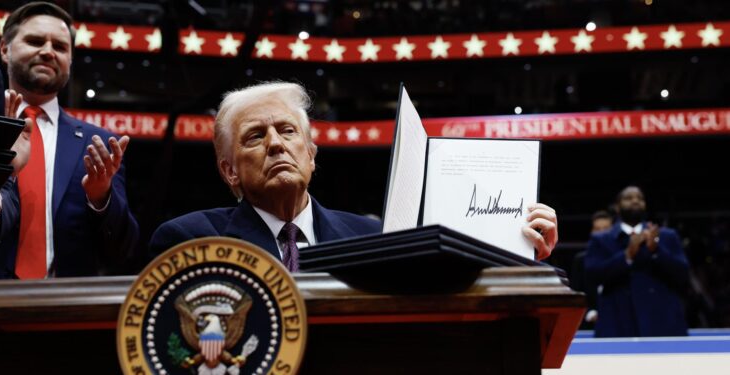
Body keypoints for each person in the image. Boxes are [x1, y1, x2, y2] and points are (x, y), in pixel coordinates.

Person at [148, 82, 560, 270]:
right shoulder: (189, 241)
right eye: (256, 136)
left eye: (288, 131)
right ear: (229, 171)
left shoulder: (372, 237)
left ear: (310, 154)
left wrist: (521, 251)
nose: (276, 144)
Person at [0, 2, 138, 279]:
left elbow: (123, 250)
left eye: (60, 47)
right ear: (5, 49)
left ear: (70, 60)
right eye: (35, 41)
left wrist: (101, 197)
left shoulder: (99, 143)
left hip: (64, 306)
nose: (48, 52)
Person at [584, 186, 689, 337]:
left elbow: (683, 274)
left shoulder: (666, 237)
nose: (635, 201)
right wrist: (627, 256)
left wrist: (656, 251)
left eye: (640, 198)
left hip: (662, 324)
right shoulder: (601, 239)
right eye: (629, 198)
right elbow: (592, 276)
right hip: (617, 324)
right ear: (617, 207)